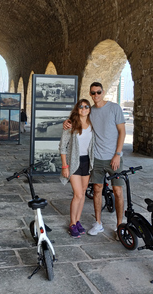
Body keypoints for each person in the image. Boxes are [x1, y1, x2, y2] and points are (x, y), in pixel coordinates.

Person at [63, 82, 126, 239]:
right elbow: (77, 120)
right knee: (96, 190)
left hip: (114, 158)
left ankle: (120, 226)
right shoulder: (90, 113)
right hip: (96, 159)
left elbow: (122, 131)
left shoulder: (114, 108)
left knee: (117, 191)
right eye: (93, 93)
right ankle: (98, 223)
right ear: (90, 94)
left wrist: (117, 154)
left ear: (103, 92)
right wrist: (66, 122)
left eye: (98, 92)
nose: (96, 95)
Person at [59, 99, 94, 238]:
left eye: (86, 107)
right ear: (77, 109)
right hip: (74, 162)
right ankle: (72, 224)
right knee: (77, 194)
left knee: (83, 192)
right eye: (81, 107)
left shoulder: (93, 124)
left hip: (87, 161)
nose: (84, 109)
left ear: (89, 109)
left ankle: (78, 220)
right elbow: (62, 146)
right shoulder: (71, 124)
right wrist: (64, 165)